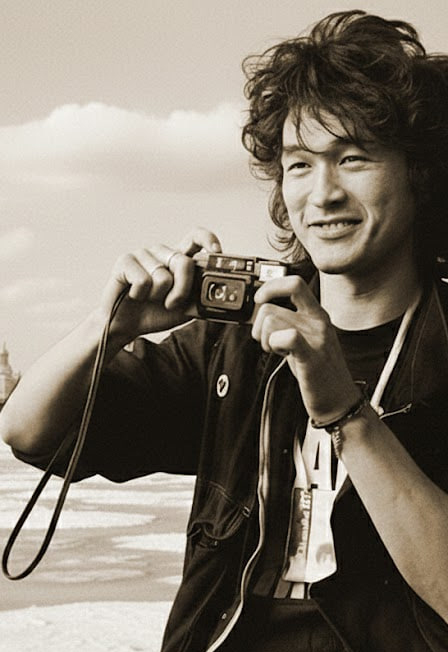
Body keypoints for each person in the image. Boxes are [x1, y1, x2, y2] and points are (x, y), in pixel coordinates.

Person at [2, 9, 448, 651]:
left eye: (353, 158)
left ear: (419, 173)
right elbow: (26, 431)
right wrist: (107, 329)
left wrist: (346, 414)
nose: (322, 194)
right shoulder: (234, 348)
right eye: (299, 165)